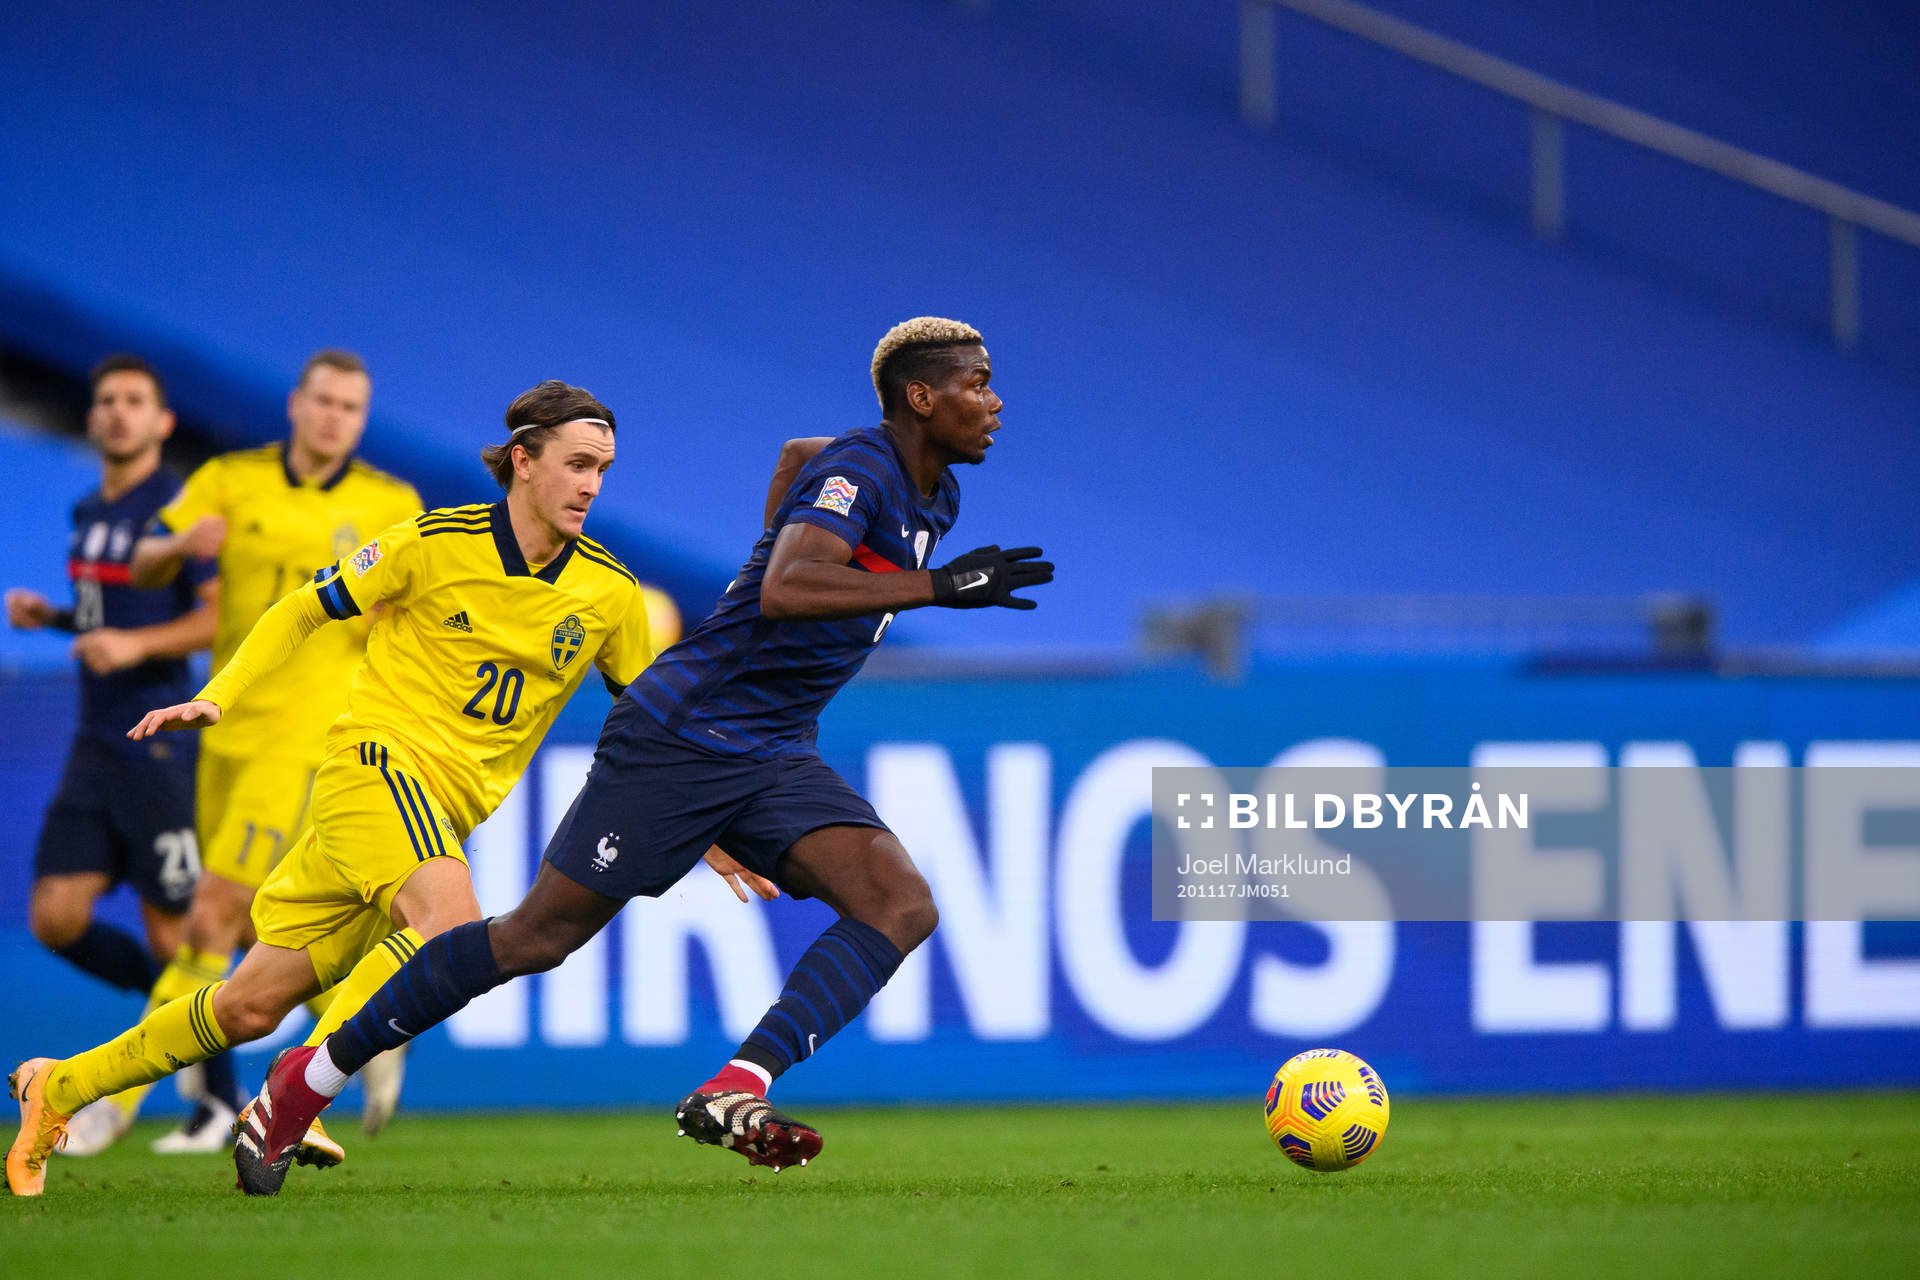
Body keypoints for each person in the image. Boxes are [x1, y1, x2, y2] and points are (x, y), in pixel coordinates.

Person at [236, 317, 1053, 1187]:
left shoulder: (928, 490)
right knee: (534, 938)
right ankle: (305, 1082)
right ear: (920, 398)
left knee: (899, 903)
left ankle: (739, 1085)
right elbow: (785, 587)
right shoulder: (864, 471)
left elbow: (795, 456)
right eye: (977, 384)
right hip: (682, 733)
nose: (994, 402)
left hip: (772, 745)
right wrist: (935, 587)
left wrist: (774, 545)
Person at [6, 380, 771, 1198]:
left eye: (603, 471)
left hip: (430, 819)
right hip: (373, 769)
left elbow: (648, 731)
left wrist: (704, 830)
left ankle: (64, 1087)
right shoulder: (432, 542)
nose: (591, 486)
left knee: (248, 1007)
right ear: (522, 460)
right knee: (452, 929)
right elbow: (304, 609)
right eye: (577, 464)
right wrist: (220, 693)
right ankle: (297, 1093)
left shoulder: (610, 594)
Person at [127, 348, 422, 1149]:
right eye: (323, 401)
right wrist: (180, 548)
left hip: (314, 736)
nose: (333, 418)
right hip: (224, 727)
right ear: (295, 404)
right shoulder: (232, 478)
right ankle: (364, 1036)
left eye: (350, 408)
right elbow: (143, 558)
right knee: (260, 930)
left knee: (211, 916)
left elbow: (410, 606)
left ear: (362, 420)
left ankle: (106, 1106)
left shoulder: (391, 503)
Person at [4, 356, 218, 1154]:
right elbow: (108, 614)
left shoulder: (182, 509)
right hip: (92, 744)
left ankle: (218, 1101)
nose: (119, 412)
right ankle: (183, 1024)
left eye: (136, 401)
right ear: (92, 419)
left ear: (163, 422)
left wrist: (135, 646)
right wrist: (57, 619)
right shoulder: (89, 508)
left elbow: (216, 618)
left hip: (155, 743)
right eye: (106, 401)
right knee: (55, 918)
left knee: (173, 937)